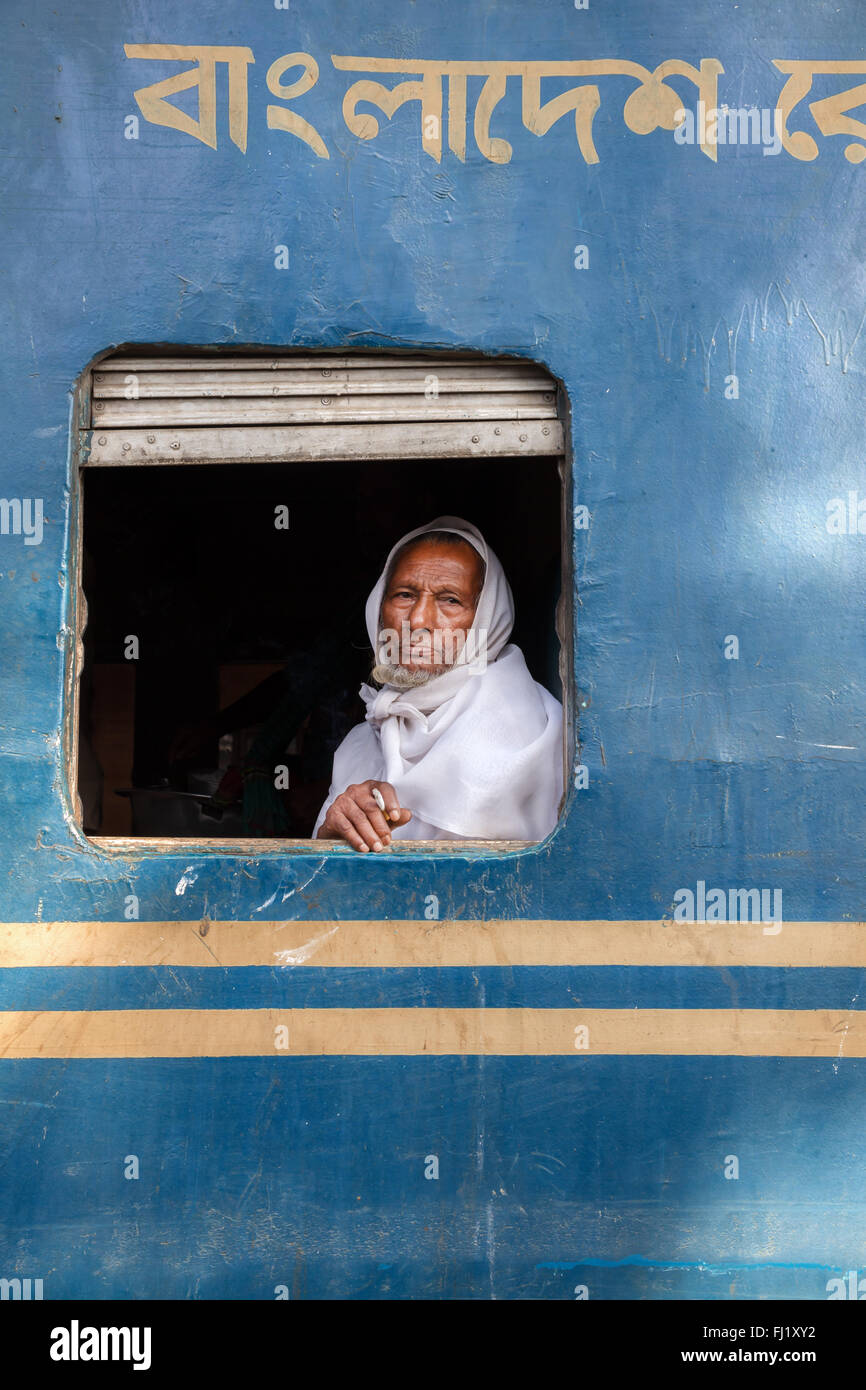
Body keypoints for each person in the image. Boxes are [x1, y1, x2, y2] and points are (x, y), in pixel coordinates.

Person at [313, 516, 563, 849]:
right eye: (404, 595)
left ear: (486, 618)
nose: (418, 621)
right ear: (378, 608)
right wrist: (332, 831)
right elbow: (318, 878)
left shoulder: (523, 726)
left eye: (450, 600)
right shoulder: (362, 741)